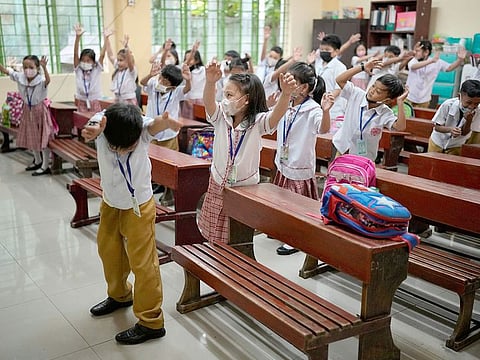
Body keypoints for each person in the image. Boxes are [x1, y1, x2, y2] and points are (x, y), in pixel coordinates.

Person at [81, 103, 183, 345]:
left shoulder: (141, 125)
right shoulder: (103, 122)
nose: (123, 151)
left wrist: (166, 122)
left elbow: (155, 125)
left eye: (129, 147)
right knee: (109, 252)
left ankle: (151, 322)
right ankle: (120, 295)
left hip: (139, 206)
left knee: (143, 263)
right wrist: (93, 130)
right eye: (117, 147)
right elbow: (91, 127)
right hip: (110, 202)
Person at [198, 63, 297, 243]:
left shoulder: (258, 122)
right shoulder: (221, 115)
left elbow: (276, 115)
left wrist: (286, 94)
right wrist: (210, 82)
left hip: (245, 187)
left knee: (238, 234)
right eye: (224, 94)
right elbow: (209, 102)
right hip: (218, 181)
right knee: (213, 229)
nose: (225, 99)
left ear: (246, 100)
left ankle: (234, 260)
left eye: (230, 95)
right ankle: (214, 258)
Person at [273, 62, 333, 255]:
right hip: (283, 162)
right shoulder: (286, 103)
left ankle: (297, 238)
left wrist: (325, 111)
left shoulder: (313, 109)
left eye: (291, 81)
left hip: (299, 164)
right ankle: (285, 230)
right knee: (283, 200)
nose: (286, 84)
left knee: (297, 204)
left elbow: (323, 129)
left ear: (304, 87)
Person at [332, 58, 408, 162]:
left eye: (378, 91)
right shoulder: (357, 94)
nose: (372, 91)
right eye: (373, 86)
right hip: (342, 149)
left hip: (364, 158)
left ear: (387, 99)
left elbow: (400, 127)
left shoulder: (385, 112)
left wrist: (400, 102)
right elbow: (339, 80)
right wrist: (362, 67)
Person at [0, 55, 55, 175]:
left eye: (31, 67)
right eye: (25, 67)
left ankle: (45, 165)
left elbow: (48, 81)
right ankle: (37, 161)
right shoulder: (20, 77)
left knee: (43, 138)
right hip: (27, 110)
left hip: (39, 111)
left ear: (37, 67)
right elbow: (5, 70)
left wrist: (45, 68)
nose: (27, 70)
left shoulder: (40, 80)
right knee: (32, 137)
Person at [406, 40, 466, 108]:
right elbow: (413, 66)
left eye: (418, 51)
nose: (415, 53)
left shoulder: (437, 62)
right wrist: (431, 61)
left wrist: (460, 60)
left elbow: (449, 68)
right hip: (409, 97)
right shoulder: (414, 60)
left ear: (426, 52)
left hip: (424, 99)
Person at [428, 79, 480, 154]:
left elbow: (465, 133)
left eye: (476, 104)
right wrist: (450, 129)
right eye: (468, 102)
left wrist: (469, 120)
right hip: (437, 142)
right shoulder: (448, 105)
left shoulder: (478, 111)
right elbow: (436, 127)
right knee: (431, 163)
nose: (471, 107)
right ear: (459, 96)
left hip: (456, 145)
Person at [307, 34, 347, 120]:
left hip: (333, 109)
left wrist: (325, 100)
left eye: (327, 50)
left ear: (336, 51)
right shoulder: (318, 63)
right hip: (316, 105)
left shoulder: (340, 67)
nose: (323, 51)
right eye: (322, 49)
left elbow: (338, 89)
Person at [72, 24, 110, 113]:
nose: (85, 63)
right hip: (82, 101)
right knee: (82, 123)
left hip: (95, 100)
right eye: (83, 60)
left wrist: (106, 39)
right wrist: (77, 38)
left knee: (95, 122)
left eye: (88, 60)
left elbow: (102, 55)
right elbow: (75, 54)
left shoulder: (96, 69)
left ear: (93, 62)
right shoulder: (79, 70)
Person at [105, 34, 138, 104]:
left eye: (121, 60)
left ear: (127, 61)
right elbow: (110, 55)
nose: (118, 63)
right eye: (118, 60)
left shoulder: (131, 71)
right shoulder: (118, 69)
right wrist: (107, 38)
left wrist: (126, 47)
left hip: (129, 101)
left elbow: (130, 61)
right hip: (118, 99)